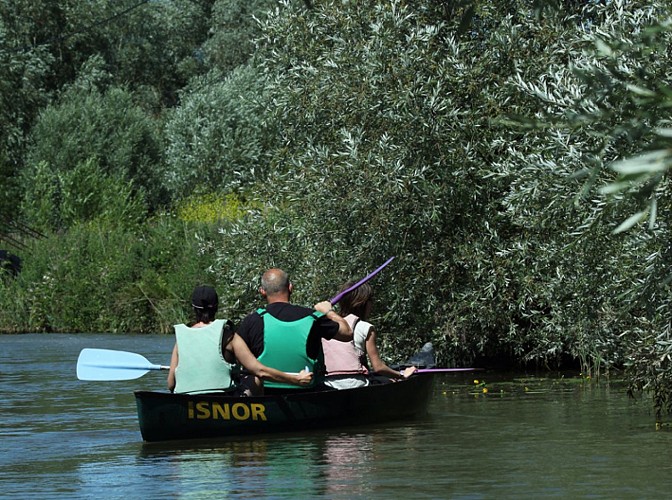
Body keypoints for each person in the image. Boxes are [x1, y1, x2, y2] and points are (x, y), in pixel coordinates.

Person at [167, 285, 313, 395]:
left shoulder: (181, 338)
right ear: (216, 307)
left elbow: (171, 384)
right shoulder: (229, 336)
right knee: (254, 378)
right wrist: (296, 380)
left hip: (187, 401)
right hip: (223, 401)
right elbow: (260, 371)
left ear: (194, 308)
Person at [236, 268, 352, 391]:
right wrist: (328, 311)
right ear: (290, 287)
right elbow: (347, 333)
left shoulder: (251, 321)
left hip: (266, 397)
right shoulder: (313, 318)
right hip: (308, 395)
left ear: (262, 292)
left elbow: (239, 357)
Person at [321, 281, 417, 389]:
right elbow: (378, 367)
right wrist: (402, 375)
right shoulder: (365, 327)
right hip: (356, 384)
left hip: (329, 384)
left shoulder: (327, 326)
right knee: (390, 380)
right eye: (371, 300)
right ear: (364, 303)